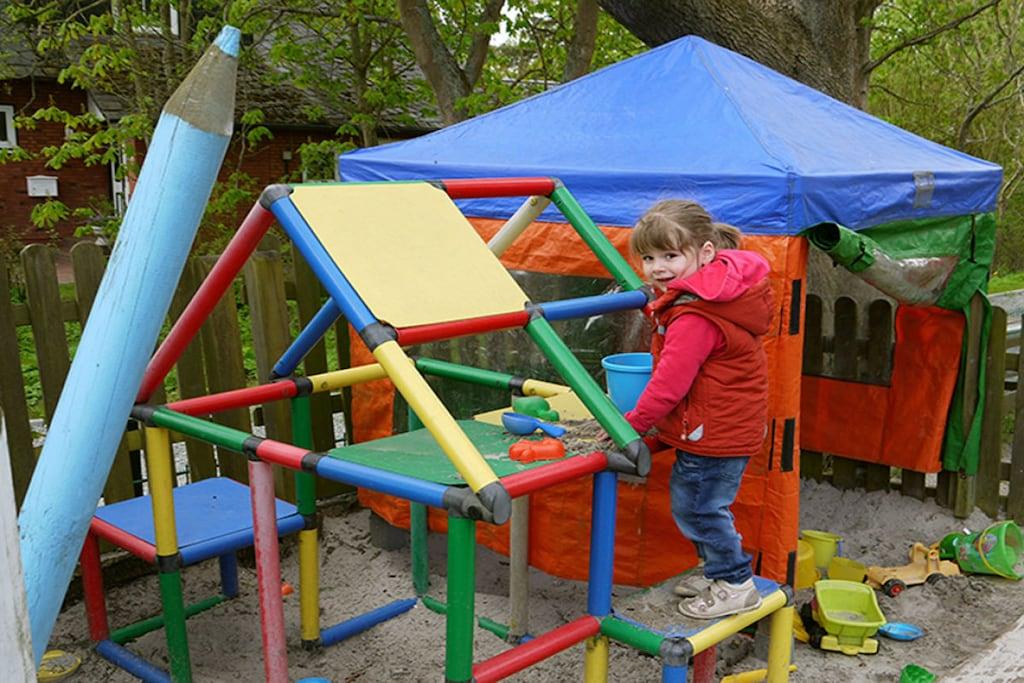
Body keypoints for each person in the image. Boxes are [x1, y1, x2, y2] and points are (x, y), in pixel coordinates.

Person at [623, 199, 772, 619]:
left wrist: (633, 424)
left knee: (701, 508)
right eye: (649, 258)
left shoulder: (695, 315)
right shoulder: (711, 294)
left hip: (715, 432)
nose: (657, 268)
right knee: (698, 503)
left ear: (705, 253)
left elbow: (670, 384)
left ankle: (735, 583)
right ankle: (717, 572)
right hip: (724, 423)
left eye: (670, 256)